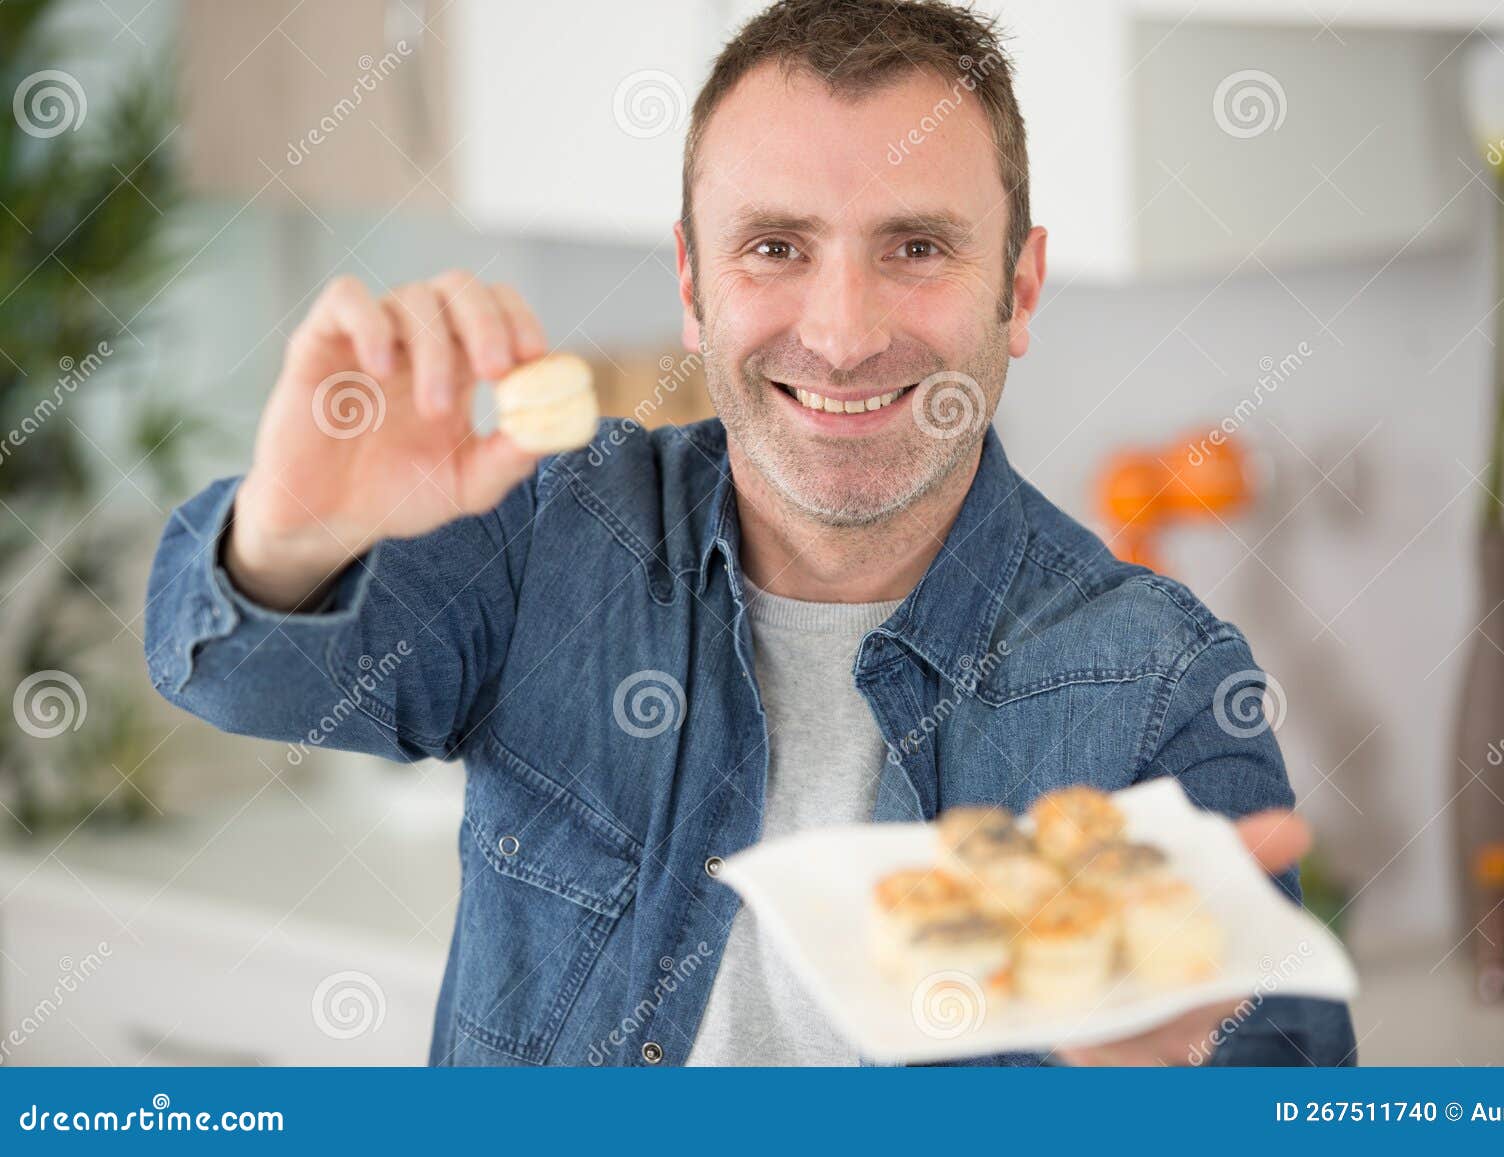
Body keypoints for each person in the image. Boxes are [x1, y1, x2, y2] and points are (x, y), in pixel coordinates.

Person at [145, 0, 1356, 1066]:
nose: (838, 333)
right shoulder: (551, 536)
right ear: (691, 283)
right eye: (776, 247)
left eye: (916, 247)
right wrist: (292, 530)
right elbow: (228, 672)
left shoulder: (1158, 687)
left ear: (1019, 290)